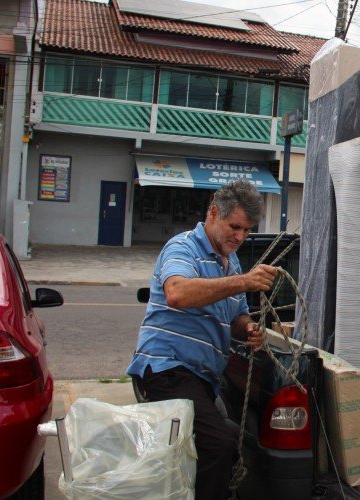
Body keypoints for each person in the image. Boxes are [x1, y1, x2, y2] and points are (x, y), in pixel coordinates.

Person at [127, 180, 277, 500]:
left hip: (202, 378)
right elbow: (177, 293)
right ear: (213, 214)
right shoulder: (183, 247)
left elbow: (236, 319)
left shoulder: (230, 260)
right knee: (218, 446)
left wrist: (250, 329)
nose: (240, 237)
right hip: (168, 368)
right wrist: (244, 281)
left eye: (247, 231)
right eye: (234, 227)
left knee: (232, 445)